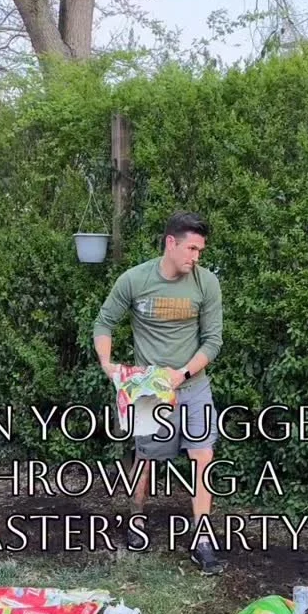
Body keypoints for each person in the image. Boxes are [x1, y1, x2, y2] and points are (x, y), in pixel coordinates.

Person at [93, 210, 223, 574]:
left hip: (192, 385)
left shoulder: (206, 283)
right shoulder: (135, 280)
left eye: (200, 250)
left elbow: (213, 341)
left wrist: (183, 374)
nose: (196, 256)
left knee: (203, 455)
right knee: (145, 458)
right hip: (149, 389)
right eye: (192, 249)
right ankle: (136, 519)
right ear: (170, 243)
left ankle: (202, 539)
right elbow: (104, 323)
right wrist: (108, 364)